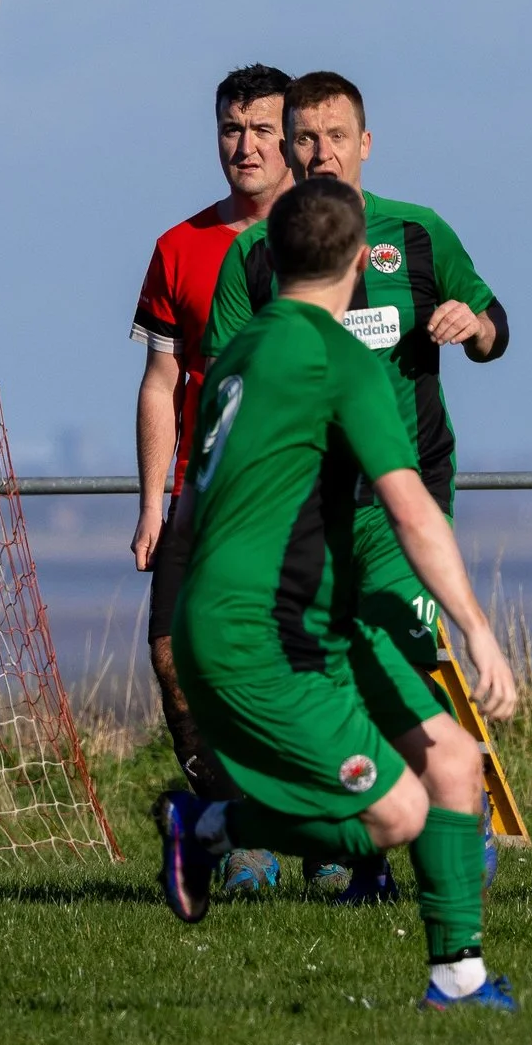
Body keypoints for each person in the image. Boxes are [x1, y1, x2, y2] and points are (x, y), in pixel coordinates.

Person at [153, 177, 520, 1011]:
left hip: (305, 618)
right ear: (361, 261)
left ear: (268, 258)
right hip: (263, 633)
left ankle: (457, 980)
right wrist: (478, 631)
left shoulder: (239, 351)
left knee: (455, 764)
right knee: (397, 816)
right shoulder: (340, 358)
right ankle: (206, 826)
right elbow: (411, 506)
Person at [205, 70, 506, 903]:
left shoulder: (418, 235)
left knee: (398, 659)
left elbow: (495, 326)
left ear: (365, 145)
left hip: (399, 506)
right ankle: (311, 836)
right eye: (304, 137)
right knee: (313, 669)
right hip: (303, 513)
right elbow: (229, 380)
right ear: (285, 148)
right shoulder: (255, 257)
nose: (320, 152)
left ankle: (377, 851)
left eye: (336, 136)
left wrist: (473, 326)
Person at [128, 64, 295, 893]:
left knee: (303, 660)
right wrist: (152, 501)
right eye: (233, 129)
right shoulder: (178, 247)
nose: (246, 145)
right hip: (201, 490)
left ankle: (334, 838)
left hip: (299, 496)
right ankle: (239, 828)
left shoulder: (330, 240)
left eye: (263, 129)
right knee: (170, 655)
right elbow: (161, 383)